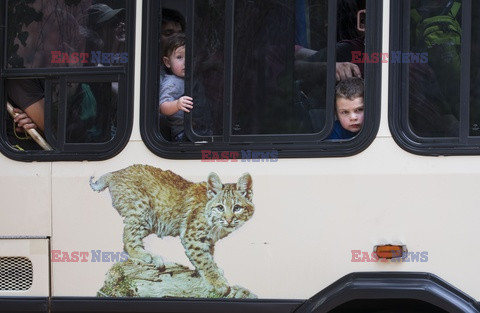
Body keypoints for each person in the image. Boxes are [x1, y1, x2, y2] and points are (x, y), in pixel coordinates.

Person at [159, 33, 193, 142]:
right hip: (182, 133)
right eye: (179, 57)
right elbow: (163, 107)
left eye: (190, 56)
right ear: (167, 62)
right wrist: (177, 104)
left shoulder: (189, 78)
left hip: (195, 129)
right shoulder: (172, 82)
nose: (186, 62)